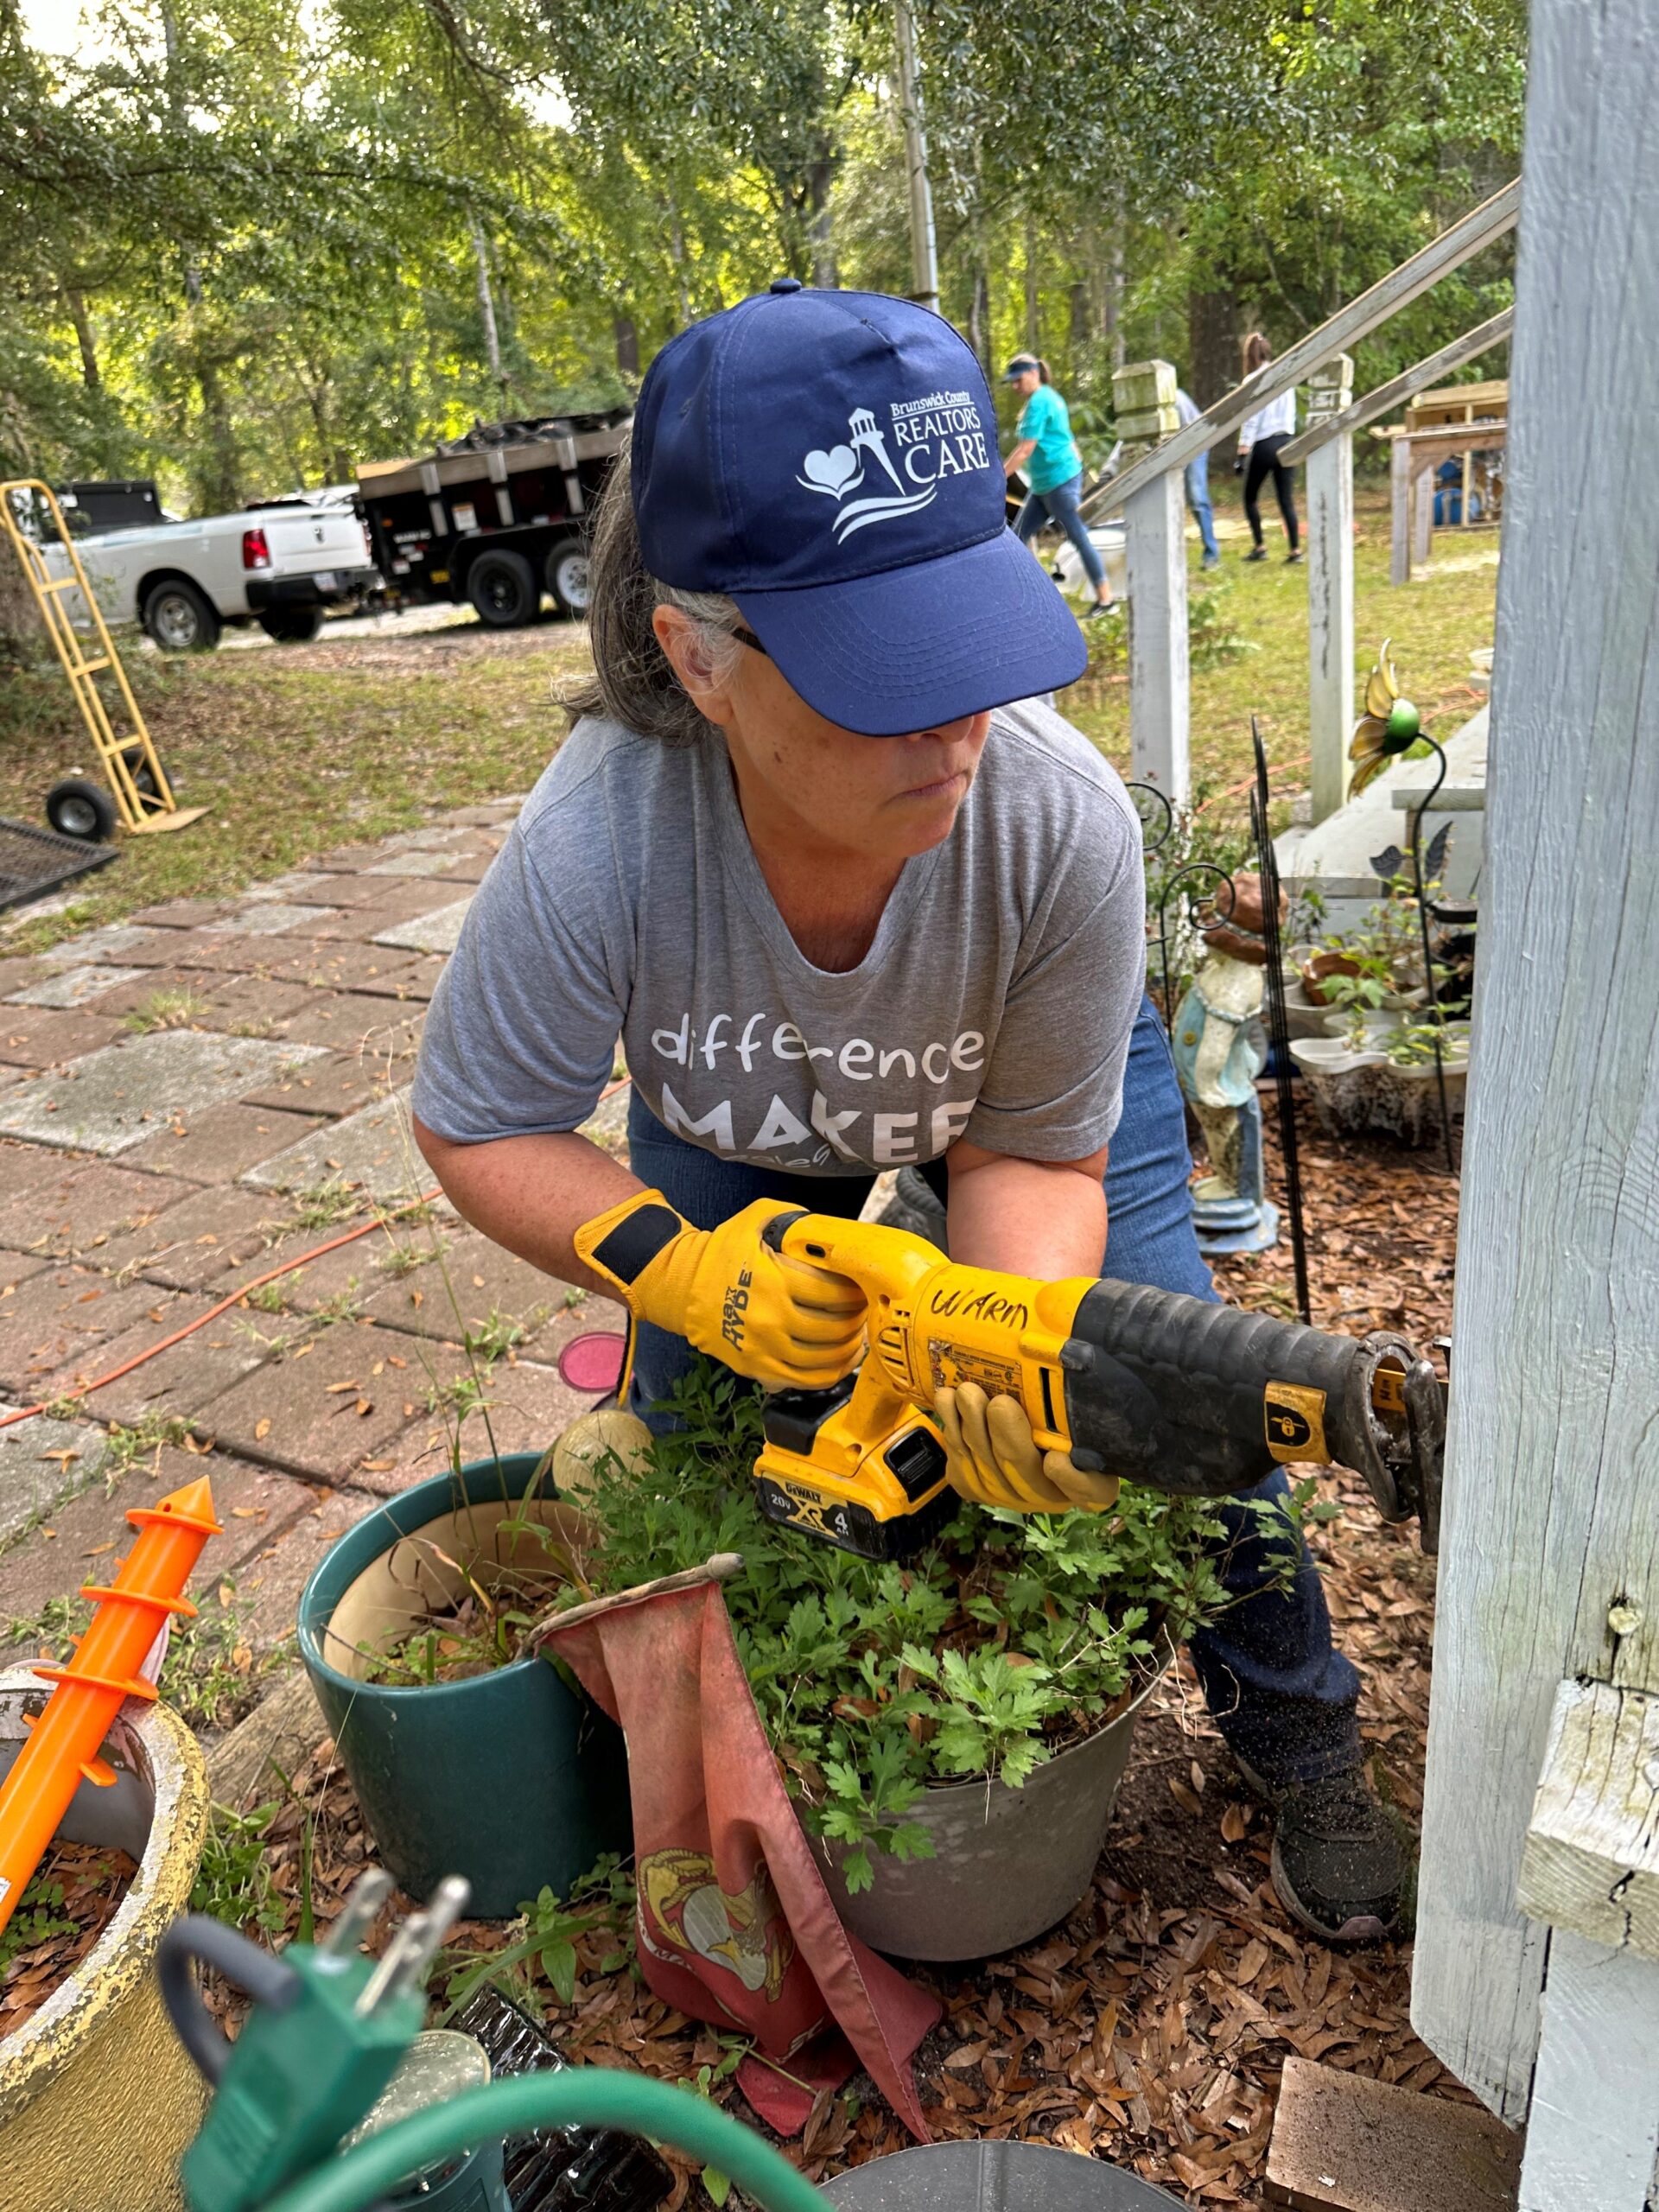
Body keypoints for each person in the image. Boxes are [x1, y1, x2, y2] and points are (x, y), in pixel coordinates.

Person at [411, 279, 1406, 1945]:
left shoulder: (1055, 821)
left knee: (1153, 1375)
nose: (958, 719)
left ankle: (1301, 1730)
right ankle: (786, 1773)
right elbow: (480, 1124)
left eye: (971, 638)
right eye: (886, 672)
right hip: (733, 1132)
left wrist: (1002, 1328)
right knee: (717, 1433)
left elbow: (1030, 1148)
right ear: (697, 655)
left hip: (1011, 1088)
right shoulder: (601, 845)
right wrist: (676, 1267)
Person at [1001, 353, 1117, 618]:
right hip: (1044, 485)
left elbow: (1025, 449)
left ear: (1033, 374)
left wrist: (999, 478)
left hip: (1058, 483)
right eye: (1012, 382)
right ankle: (1026, 596)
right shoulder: (1047, 398)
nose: (1015, 387)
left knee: (1078, 537)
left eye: (1018, 380)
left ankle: (1106, 599)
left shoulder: (1041, 401)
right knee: (1017, 537)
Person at [1236, 333, 1301, 563]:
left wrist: (1242, 452)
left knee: (1250, 497)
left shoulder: (1252, 380)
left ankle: (1260, 546)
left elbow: (1251, 419)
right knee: (1286, 499)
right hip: (1287, 439)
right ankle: (1295, 550)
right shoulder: (1285, 377)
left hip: (1265, 443)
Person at [1176, 385, 1221, 568]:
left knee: (1197, 498)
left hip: (1195, 444)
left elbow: (1191, 433)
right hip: (1176, 448)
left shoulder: (1176, 400)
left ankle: (1211, 554)